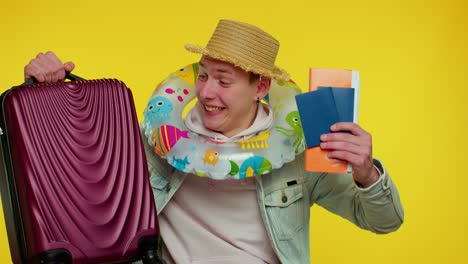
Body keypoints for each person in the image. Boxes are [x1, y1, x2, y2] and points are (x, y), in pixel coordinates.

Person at [24, 19, 404, 264]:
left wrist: (367, 173)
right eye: (203, 75)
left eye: (224, 81)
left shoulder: (299, 149)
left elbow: (384, 222)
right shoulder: (154, 142)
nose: (206, 91)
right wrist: (46, 90)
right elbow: (73, 176)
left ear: (262, 87)